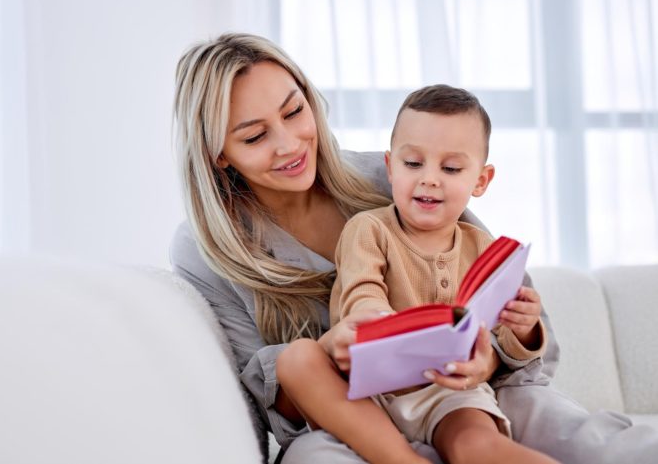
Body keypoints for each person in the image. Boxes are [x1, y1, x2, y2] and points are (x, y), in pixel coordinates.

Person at [169, 32, 658, 464]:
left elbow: (501, 311)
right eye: (254, 136)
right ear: (218, 154)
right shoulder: (206, 249)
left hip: (460, 394)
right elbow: (268, 408)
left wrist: (482, 360)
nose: (289, 144)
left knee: (598, 444)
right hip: (347, 421)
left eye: (295, 111)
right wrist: (328, 352)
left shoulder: (398, 178)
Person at [276, 84, 557, 464]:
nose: (429, 179)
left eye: (451, 168)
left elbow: (500, 338)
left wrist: (524, 325)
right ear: (390, 167)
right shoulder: (369, 228)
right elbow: (362, 292)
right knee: (296, 360)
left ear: (481, 180)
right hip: (367, 390)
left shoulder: (484, 248)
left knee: (479, 444)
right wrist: (377, 326)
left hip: (448, 390)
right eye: (413, 164)